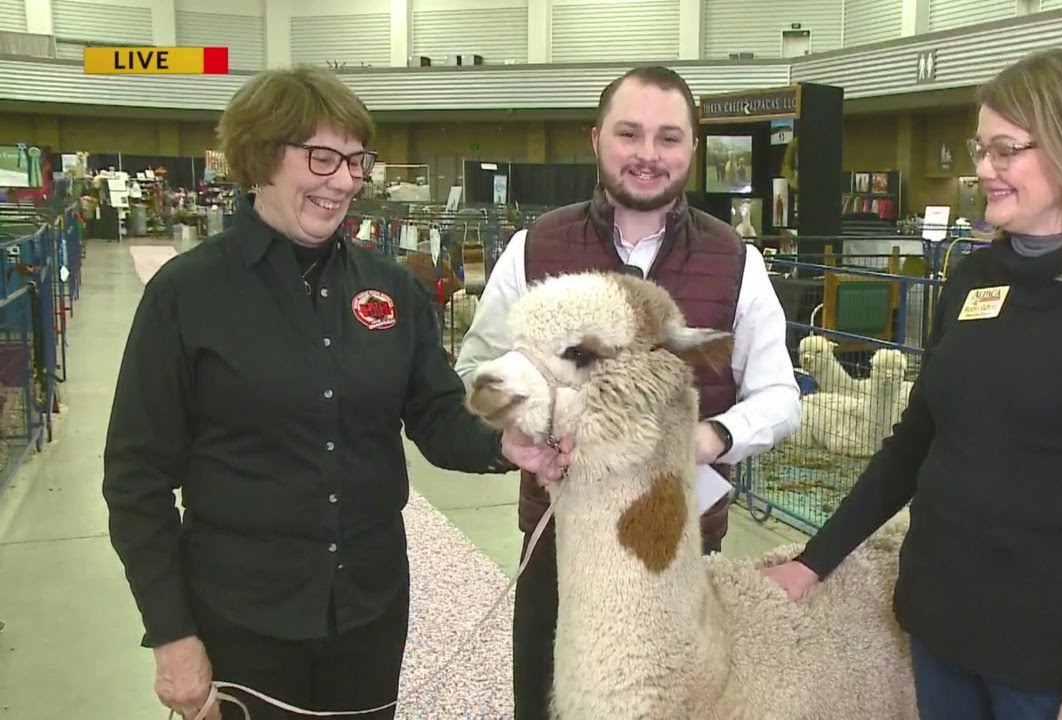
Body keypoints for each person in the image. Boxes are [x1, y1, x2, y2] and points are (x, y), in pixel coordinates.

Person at [102, 65, 569, 720]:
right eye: (322, 157)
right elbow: (135, 479)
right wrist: (172, 634)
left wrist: (508, 442)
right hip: (242, 620)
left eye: (355, 161)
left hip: (369, 613)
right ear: (262, 155)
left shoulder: (390, 289)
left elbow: (436, 414)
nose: (345, 180)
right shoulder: (186, 296)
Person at [764, 47, 1062, 720]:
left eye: (1005, 150)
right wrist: (814, 559)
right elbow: (914, 442)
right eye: (980, 149)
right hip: (940, 633)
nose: (982, 170)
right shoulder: (976, 280)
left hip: (1058, 668)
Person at [452, 65, 802, 720]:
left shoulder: (734, 262)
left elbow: (779, 393)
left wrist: (708, 439)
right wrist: (514, 434)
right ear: (597, 139)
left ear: (692, 148)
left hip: (676, 546)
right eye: (630, 134)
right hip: (559, 546)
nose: (648, 155)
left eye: (669, 138)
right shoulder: (536, 249)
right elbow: (476, 367)